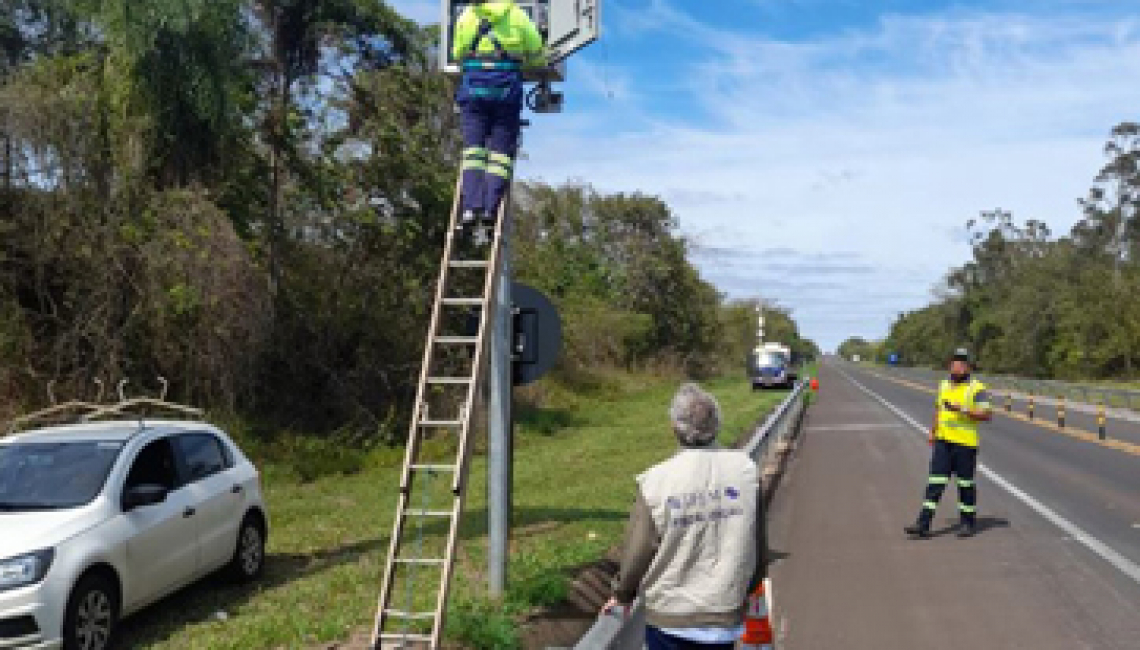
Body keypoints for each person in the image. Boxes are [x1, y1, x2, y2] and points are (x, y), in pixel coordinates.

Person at [602, 383, 768, 650]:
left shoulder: (656, 482)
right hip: (724, 614)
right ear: (717, 425)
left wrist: (622, 594)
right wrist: (750, 586)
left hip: (671, 620)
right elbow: (757, 542)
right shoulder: (746, 472)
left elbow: (638, 551)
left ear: (674, 428)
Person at [450, 0, 545, 229]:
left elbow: (457, 52)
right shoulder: (517, 15)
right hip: (505, 91)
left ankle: (471, 208)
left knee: (473, 152)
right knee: (500, 155)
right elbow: (536, 50)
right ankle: (490, 209)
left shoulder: (467, 15)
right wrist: (537, 61)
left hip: (473, 90)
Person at [905, 348, 993, 539]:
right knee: (935, 483)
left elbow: (986, 414)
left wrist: (962, 409)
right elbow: (938, 409)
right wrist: (933, 431)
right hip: (943, 442)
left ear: (968, 367)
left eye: (961, 364)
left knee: (965, 485)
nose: (957, 367)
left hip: (965, 444)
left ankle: (967, 523)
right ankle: (923, 523)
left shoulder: (976, 388)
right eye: (954, 363)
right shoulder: (944, 384)